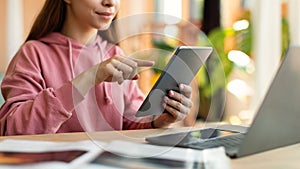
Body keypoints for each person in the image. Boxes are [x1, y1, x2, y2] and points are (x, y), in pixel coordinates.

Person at [0, 0, 193, 136]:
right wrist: (90, 76)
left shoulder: (114, 53)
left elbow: (130, 120)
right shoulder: (33, 53)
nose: (110, 2)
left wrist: (159, 120)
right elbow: (12, 129)